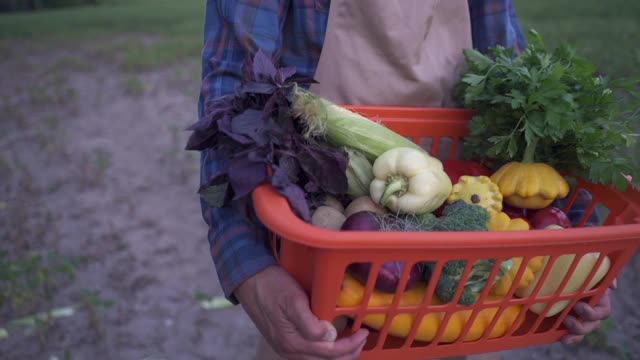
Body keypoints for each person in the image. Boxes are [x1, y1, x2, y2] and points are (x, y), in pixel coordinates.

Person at [197, 1, 615, 359]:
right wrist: (251, 271)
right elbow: (234, 91)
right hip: (318, 229)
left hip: (453, 229)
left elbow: (513, 73)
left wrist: (576, 251)